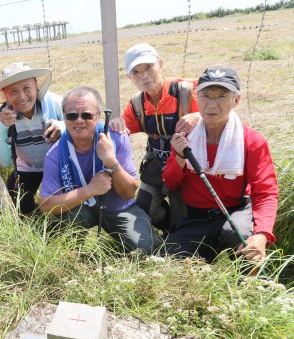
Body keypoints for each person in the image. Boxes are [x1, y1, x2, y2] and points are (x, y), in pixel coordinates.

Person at [163, 66, 278, 262]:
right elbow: (170, 183)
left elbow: (265, 192)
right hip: (194, 217)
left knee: (245, 246)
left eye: (222, 96)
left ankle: (249, 287)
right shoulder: (185, 137)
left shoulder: (252, 141)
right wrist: (180, 158)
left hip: (235, 211)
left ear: (236, 100)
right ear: (196, 98)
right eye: (206, 95)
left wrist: (261, 235)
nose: (212, 105)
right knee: (169, 259)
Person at [39, 86, 160, 254]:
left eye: (87, 115)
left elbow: (129, 192)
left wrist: (111, 161)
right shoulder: (56, 153)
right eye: (72, 115)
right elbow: (47, 205)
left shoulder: (116, 137)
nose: (79, 120)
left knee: (144, 249)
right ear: (64, 118)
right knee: (58, 244)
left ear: (98, 116)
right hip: (80, 206)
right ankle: (74, 256)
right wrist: (90, 190)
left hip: (119, 207)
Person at [109, 43, 200, 233]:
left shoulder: (189, 91)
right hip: (157, 164)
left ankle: (180, 232)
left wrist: (199, 117)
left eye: (149, 67)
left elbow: (222, 110)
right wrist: (115, 125)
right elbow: (120, 132)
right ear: (129, 77)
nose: (143, 75)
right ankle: (171, 231)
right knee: (145, 208)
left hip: (187, 166)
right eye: (136, 71)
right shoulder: (136, 104)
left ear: (160, 64)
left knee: (186, 213)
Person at [0, 61, 65, 215]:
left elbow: (80, 127)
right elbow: (5, 161)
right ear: (6, 95)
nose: (22, 97)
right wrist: (4, 128)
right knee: (17, 203)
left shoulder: (56, 103)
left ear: (36, 86)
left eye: (26, 88)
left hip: (59, 165)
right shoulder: (4, 116)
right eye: (13, 92)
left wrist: (63, 127)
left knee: (62, 208)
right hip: (27, 166)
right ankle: (33, 218)